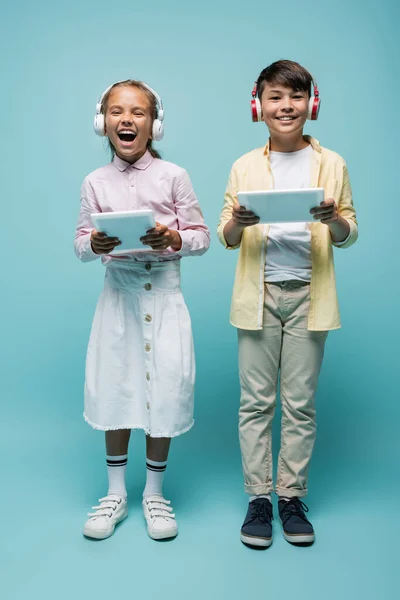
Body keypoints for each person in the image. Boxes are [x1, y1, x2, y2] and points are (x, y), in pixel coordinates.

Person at [217, 60, 358, 547]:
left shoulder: (333, 164)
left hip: (309, 296)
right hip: (258, 297)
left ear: (311, 104)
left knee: (299, 404)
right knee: (256, 403)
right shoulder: (244, 164)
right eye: (276, 97)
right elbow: (226, 236)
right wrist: (240, 220)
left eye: (296, 97)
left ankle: (290, 496)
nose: (286, 107)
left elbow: (349, 233)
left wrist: (334, 218)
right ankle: (259, 498)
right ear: (259, 104)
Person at [74, 79, 210, 541]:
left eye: (137, 112)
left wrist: (173, 238)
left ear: (155, 124)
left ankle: (154, 493)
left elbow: (201, 236)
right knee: (117, 387)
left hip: (164, 296)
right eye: (116, 111)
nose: (126, 120)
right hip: (118, 297)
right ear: (102, 122)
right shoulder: (94, 182)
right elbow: (79, 244)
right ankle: (115, 493)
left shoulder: (174, 176)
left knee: (164, 391)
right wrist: (94, 243)